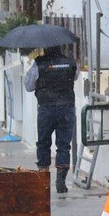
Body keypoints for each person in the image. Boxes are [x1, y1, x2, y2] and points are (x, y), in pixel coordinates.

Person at [24, 46, 78, 193]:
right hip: (67, 107)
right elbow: (75, 77)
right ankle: (61, 180)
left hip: (46, 108)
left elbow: (28, 86)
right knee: (64, 145)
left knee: (43, 142)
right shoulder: (71, 62)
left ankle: (43, 178)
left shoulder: (39, 64)